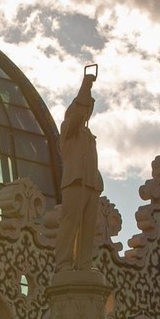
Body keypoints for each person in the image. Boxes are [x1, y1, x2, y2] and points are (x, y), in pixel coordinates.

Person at [52, 68, 101, 271]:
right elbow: (78, 113)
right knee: (71, 222)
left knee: (88, 227)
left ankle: (84, 264)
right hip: (75, 182)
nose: (87, 112)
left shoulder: (89, 136)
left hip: (91, 184)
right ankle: (63, 263)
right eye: (85, 107)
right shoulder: (68, 130)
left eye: (89, 109)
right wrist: (86, 86)